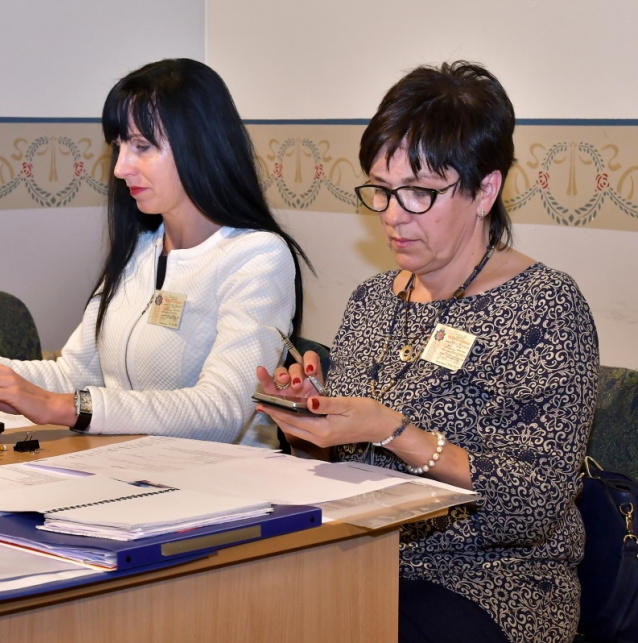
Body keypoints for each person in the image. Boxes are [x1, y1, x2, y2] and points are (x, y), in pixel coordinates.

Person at [256, 61, 598, 643]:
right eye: (382, 190)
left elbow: (533, 505)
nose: (393, 215)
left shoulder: (544, 307)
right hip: (358, 555)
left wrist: (395, 432)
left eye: (419, 193)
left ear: (485, 190)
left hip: (489, 582)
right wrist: (310, 420)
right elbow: (341, 472)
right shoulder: (373, 299)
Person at [0, 58, 311, 449]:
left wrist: (61, 407)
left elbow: (221, 411)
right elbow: (76, 372)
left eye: (142, 146)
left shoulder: (257, 257)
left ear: (201, 146)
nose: (121, 167)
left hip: (221, 491)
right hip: (131, 470)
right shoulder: (142, 248)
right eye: (119, 146)